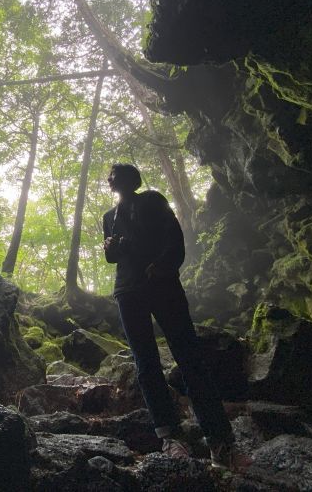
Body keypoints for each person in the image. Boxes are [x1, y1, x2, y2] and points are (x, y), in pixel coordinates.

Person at [102, 163, 242, 469]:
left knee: (189, 357)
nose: (115, 181)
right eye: (112, 178)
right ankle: (169, 436)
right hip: (128, 291)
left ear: (133, 180)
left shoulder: (152, 200)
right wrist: (111, 247)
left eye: (120, 176)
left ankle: (220, 440)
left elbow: (174, 238)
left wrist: (163, 265)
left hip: (163, 285)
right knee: (146, 363)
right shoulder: (109, 218)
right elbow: (112, 258)